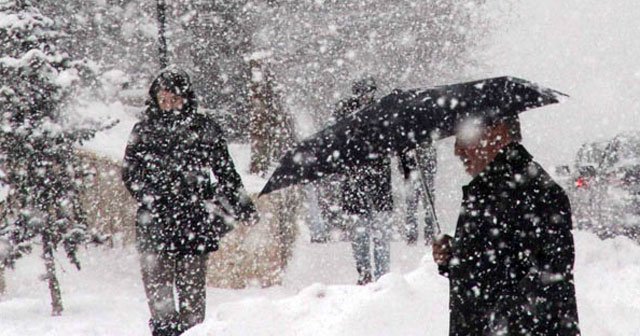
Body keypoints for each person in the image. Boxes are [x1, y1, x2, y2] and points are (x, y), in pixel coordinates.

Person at [122, 68, 258, 336]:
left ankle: (192, 332)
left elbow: (226, 173)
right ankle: (163, 331)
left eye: (174, 99)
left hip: (193, 218)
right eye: (164, 99)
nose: (169, 105)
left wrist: (243, 206)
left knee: (192, 291)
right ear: (156, 99)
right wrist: (152, 197)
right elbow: (130, 173)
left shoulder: (204, 129)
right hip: (156, 221)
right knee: (158, 288)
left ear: (186, 98)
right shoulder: (144, 130)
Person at [432, 114, 580, 335]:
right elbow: (495, 264)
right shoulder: (488, 189)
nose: (457, 151)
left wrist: (496, 322)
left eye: (463, 138)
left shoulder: (532, 192)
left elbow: (545, 281)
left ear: (498, 131)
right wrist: (454, 256)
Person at [335, 77, 395, 285]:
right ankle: (365, 273)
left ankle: (381, 276)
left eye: (369, 92)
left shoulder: (382, 112)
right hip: (356, 182)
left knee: (380, 234)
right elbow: (339, 144)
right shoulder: (346, 114)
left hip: (377, 183)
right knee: (361, 234)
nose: (366, 97)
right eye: (363, 93)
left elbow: (390, 141)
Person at [400, 140, 438, 245]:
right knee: (412, 206)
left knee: (427, 204)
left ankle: (428, 235)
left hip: (424, 168)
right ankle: (412, 236)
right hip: (411, 169)